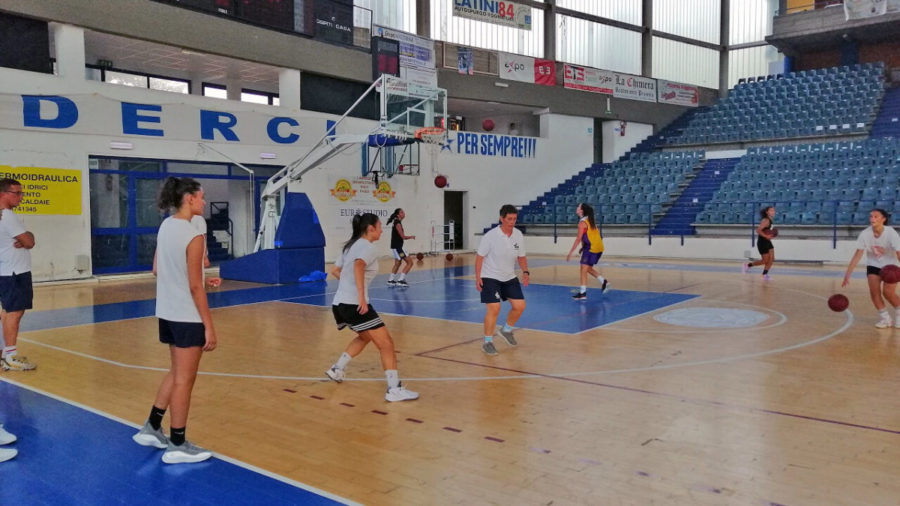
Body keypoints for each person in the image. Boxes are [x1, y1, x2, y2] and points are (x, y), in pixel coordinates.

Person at [132, 177, 218, 464]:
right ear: (189, 199)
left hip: (167, 313)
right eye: (201, 197)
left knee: (176, 373)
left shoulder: (166, 226)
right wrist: (209, 325)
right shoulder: (193, 236)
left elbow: (158, 269)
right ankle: (178, 444)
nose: (204, 202)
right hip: (186, 316)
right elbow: (196, 286)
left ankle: (153, 426)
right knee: (185, 381)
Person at [325, 213, 418, 402]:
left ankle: (337, 369)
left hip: (340, 303)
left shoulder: (350, 246)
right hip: (355, 304)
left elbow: (335, 271)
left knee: (364, 336)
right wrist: (360, 296)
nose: (382, 230)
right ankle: (394, 389)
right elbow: (359, 266)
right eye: (379, 227)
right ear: (370, 229)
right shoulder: (367, 247)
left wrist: (349, 287)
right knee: (387, 344)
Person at [475, 205, 529, 355]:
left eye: (514, 219)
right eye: (509, 219)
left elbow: (521, 256)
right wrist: (478, 277)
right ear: (502, 219)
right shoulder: (490, 236)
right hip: (490, 276)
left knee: (520, 306)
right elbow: (480, 257)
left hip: (509, 276)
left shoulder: (518, 234)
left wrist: (525, 271)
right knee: (494, 308)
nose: (512, 222)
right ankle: (487, 342)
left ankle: (506, 330)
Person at [0, 178, 36, 371]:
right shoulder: (7, 216)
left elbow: (27, 238)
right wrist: (29, 236)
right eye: (16, 193)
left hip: (5, 270)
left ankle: (5, 353)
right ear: (2, 194)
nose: (21, 197)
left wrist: (27, 236)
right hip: (15, 272)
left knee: (6, 312)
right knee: (14, 312)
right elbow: (29, 242)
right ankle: (11, 356)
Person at [841, 209, 900, 329]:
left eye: (876, 216)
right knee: (874, 293)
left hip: (891, 266)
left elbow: (899, 253)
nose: (872, 218)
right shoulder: (865, 234)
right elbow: (858, 254)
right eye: (871, 216)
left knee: (888, 293)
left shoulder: (891, 233)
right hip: (874, 265)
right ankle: (886, 319)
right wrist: (848, 274)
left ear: (883, 219)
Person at [566, 203, 609, 300]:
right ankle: (604, 281)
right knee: (587, 268)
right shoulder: (590, 220)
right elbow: (589, 236)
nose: (576, 208)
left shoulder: (582, 223)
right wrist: (583, 247)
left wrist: (570, 253)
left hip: (591, 248)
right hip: (598, 247)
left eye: (578, 207)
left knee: (583, 269)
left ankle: (583, 293)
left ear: (581, 210)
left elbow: (578, 238)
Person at [743, 206, 776, 281]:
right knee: (765, 261)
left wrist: (772, 235)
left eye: (774, 210)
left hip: (767, 241)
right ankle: (747, 265)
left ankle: (764, 274)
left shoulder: (770, 220)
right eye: (771, 210)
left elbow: (767, 230)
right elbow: (758, 230)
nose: (773, 212)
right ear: (767, 212)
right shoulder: (766, 220)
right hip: (762, 242)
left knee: (772, 258)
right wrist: (766, 236)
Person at [386, 208, 415, 287]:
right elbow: (403, 237)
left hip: (396, 247)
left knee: (398, 263)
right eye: (402, 212)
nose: (404, 213)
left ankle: (390, 280)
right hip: (398, 248)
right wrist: (411, 237)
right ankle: (401, 280)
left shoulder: (396, 222)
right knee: (410, 262)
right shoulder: (397, 223)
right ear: (398, 215)